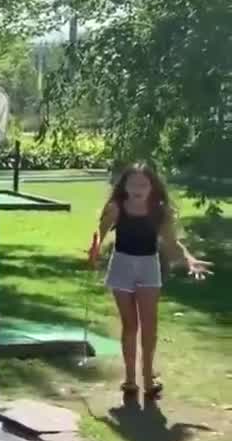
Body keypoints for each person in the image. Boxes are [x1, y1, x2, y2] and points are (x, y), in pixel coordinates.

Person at [91, 163, 212, 397]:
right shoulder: (117, 207)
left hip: (148, 266)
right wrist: (96, 246)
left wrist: (189, 260)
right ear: (124, 186)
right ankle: (129, 380)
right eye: (133, 183)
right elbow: (101, 233)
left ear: (152, 187)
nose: (138, 188)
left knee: (149, 325)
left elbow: (172, 243)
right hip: (122, 265)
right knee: (130, 325)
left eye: (143, 184)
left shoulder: (159, 211)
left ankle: (148, 379)